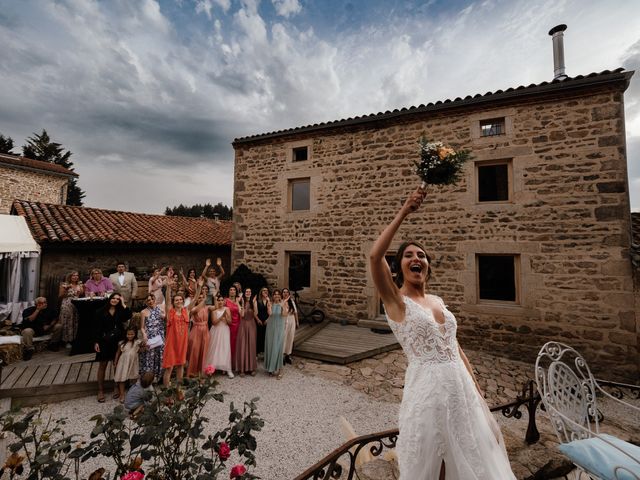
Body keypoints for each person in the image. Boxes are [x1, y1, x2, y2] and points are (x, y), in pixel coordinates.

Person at [369, 187, 515, 480]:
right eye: (408, 255)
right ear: (399, 267)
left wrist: (478, 393)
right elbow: (375, 256)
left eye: (421, 255)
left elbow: (455, 348)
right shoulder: (397, 301)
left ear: (428, 266)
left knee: (476, 457)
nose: (416, 258)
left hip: (463, 393)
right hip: (429, 392)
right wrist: (404, 211)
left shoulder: (437, 301)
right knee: (438, 463)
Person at [94, 293, 131, 402]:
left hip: (117, 341)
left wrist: (123, 303)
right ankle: (100, 390)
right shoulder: (100, 311)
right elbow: (96, 328)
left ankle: (116, 387)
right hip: (104, 341)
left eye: (117, 299)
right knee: (103, 365)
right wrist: (96, 342)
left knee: (116, 365)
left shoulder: (120, 311)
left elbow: (129, 315)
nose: (115, 300)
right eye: (113, 298)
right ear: (109, 299)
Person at [162, 280, 189, 386]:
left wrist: (199, 288)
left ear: (183, 301)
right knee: (169, 367)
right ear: (174, 302)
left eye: (180, 300)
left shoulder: (186, 311)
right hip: (172, 344)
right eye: (176, 300)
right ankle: (166, 391)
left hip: (182, 343)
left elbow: (196, 299)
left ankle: (178, 388)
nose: (178, 301)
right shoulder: (170, 312)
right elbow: (167, 300)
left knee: (181, 365)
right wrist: (168, 287)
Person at [204, 294, 234, 378]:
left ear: (224, 301)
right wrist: (221, 317)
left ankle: (228, 369)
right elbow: (214, 322)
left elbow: (230, 322)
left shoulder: (227, 309)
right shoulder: (214, 310)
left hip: (224, 330)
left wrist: (226, 317)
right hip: (216, 330)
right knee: (214, 348)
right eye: (218, 300)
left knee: (225, 348)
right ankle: (211, 368)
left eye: (221, 300)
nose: (220, 302)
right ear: (216, 301)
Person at [186, 279, 209, 378]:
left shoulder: (206, 308)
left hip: (205, 330)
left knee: (204, 351)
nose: (200, 299)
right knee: (194, 352)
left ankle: (202, 372)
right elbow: (199, 301)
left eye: (201, 298)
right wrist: (200, 289)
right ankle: (192, 372)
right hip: (196, 331)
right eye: (198, 298)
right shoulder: (194, 309)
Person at [139, 294, 165, 382]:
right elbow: (142, 327)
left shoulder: (160, 308)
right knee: (149, 357)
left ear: (155, 299)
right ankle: (148, 378)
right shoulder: (143, 312)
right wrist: (144, 335)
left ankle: (158, 377)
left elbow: (165, 318)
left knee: (159, 356)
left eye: (152, 299)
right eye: (148, 300)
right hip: (150, 336)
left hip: (160, 335)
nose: (150, 301)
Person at [114, 326, 142, 402]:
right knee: (122, 379)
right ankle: (122, 395)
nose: (130, 336)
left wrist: (145, 347)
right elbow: (117, 353)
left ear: (135, 334)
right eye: (128, 334)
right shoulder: (121, 343)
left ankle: (134, 394)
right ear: (125, 334)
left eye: (132, 334)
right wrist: (115, 362)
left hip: (133, 363)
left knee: (134, 378)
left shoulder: (138, 342)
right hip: (123, 363)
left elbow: (141, 350)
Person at [235, 288, 257, 376]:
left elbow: (256, 313)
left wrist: (255, 303)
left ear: (251, 293)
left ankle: (251, 368)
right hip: (243, 325)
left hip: (252, 325)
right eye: (246, 291)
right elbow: (242, 315)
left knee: (251, 345)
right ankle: (242, 369)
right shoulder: (240, 302)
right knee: (243, 345)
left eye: (249, 291)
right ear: (244, 293)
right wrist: (242, 303)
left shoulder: (253, 302)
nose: (248, 293)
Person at [59, 271, 84, 348]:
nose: (75, 277)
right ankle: (66, 341)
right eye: (73, 276)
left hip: (76, 305)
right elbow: (60, 296)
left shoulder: (79, 285)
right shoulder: (64, 285)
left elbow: (82, 294)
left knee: (75, 321)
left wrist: (82, 289)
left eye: (77, 275)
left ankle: (74, 339)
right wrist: (67, 289)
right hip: (67, 304)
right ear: (70, 277)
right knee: (67, 322)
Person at [263, 289, 285, 379]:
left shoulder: (284, 303)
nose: (276, 296)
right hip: (271, 327)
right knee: (271, 346)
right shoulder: (270, 303)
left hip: (279, 327)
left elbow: (284, 314)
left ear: (280, 296)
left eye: (278, 294)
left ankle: (280, 370)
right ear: (273, 296)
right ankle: (271, 369)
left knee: (278, 348)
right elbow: (270, 314)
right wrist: (268, 305)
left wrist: (282, 306)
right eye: (275, 294)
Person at [225, 285, 243, 371]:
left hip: (237, 324)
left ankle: (235, 364)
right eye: (230, 290)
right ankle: (227, 365)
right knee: (228, 344)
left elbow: (241, 313)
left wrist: (238, 303)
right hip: (228, 324)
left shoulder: (237, 301)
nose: (232, 291)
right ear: (228, 291)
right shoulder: (225, 300)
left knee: (236, 344)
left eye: (234, 290)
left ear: (236, 292)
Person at [282, 288, 298, 365]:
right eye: (284, 292)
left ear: (289, 293)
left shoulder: (291, 301)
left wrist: (297, 322)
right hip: (284, 321)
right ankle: (282, 356)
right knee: (284, 338)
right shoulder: (281, 301)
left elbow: (295, 312)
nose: (285, 293)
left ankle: (288, 355)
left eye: (287, 292)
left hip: (292, 320)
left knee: (290, 338)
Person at [253, 287, 270, 355]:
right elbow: (255, 312)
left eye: (266, 290)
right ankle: (257, 351)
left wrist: (268, 319)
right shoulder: (257, 301)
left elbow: (271, 312)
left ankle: (265, 352)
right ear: (261, 292)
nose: (265, 291)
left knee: (266, 336)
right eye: (264, 290)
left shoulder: (269, 300)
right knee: (259, 336)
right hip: (259, 320)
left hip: (267, 320)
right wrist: (258, 320)